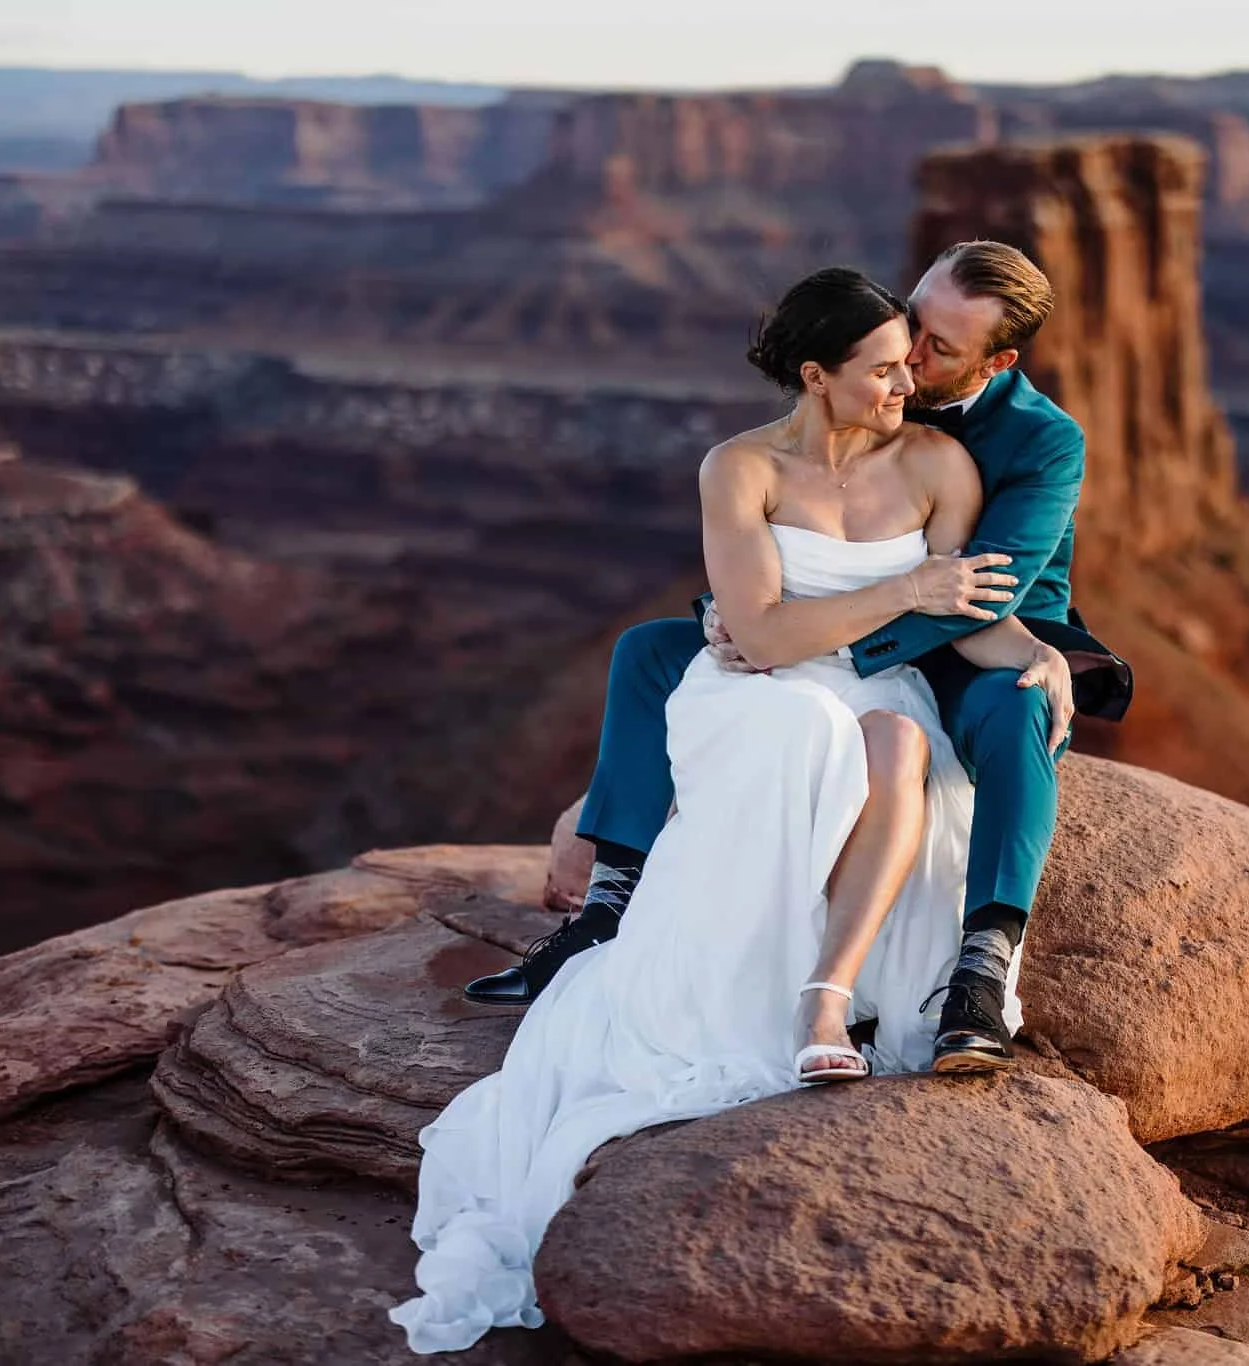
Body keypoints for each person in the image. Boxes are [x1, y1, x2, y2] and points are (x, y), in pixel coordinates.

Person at [393, 267, 1076, 1352]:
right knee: (789, 722)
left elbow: (968, 610)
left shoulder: (943, 464)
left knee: (897, 739)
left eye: (918, 360)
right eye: (888, 366)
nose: (909, 383)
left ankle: (825, 997)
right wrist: (889, 595)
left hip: (874, 683)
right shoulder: (740, 466)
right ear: (816, 375)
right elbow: (755, 636)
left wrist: (1035, 651)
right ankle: (637, 908)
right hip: (755, 687)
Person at [465, 241, 1132, 1074]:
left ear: (997, 361)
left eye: (939, 351)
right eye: (910, 327)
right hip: (831, 626)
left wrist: (805, 643)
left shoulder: (1036, 442)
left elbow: (980, 595)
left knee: (1023, 701)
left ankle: (984, 963)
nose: (911, 361)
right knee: (650, 652)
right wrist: (737, 624)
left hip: (966, 641)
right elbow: (778, 554)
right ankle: (613, 898)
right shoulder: (863, 385)